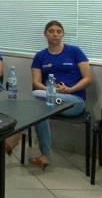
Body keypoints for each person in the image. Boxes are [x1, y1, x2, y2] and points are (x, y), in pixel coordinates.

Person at [28, 20, 92, 168]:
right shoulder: (40, 56)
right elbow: (36, 82)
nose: (55, 34)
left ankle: (14, 139)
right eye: (51, 31)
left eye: (58, 31)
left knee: (35, 97)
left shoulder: (75, 51)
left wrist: (70, 89)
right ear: (45, 34)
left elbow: (88, 79)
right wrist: (51, 91)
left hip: (72, 102)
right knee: (39, 108)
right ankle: (45, 156)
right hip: (52, 101)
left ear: (63, 34)